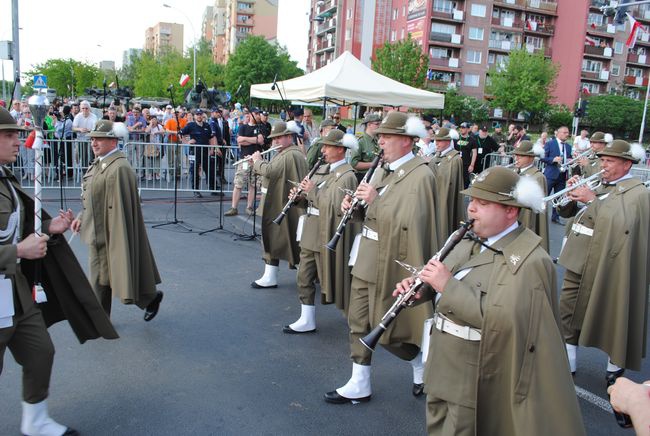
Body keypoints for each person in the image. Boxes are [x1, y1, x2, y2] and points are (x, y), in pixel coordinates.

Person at [394, 166, 585, 436]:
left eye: (483, 203)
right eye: (472, 200)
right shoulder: (466, 239)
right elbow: (450, 280)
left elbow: (506, 321)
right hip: (441, 365)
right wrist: (421, 291)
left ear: (511, 210)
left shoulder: (529, 260)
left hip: (474, 377)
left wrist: (447, 285)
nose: (471, 209)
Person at [0, 106, 117, 436]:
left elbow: (17, 225)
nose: (15, 142)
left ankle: (35, 420)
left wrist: (49, 227)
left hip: (14, 291)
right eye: (7, 135)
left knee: (40, 351)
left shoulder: (6, 179)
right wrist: (18, 251)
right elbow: (13, 242)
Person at [324, 111, 439, 404]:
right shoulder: (381, 169)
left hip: (395, 261)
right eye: (380, 136)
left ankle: (418, 363)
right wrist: (355, 206)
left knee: (391, 331)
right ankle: (359, 381)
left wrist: (377, 200)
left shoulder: (422, 173)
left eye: (387, 136)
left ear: (407, 140)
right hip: (368, 256)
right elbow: (371, 213)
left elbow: (413, 221)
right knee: (358, 320)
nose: (381, 141)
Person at [556, 139, 649, 386]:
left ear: (627, 164)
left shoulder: (636, 191)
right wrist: (569, 195)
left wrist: (591, 201)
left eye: (610, 161)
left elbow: (623, 225)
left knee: (612, 312)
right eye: (602, 160)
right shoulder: (597, 184)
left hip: (610, 262)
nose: (603, 165)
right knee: (567, 309)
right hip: (578, 257)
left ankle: (614, 365)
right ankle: (569, 358)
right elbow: (567, 214)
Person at [70, 120, 164, 321]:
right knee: (102, 276)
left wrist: (111, 236)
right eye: (92, 139)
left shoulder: (119, 167)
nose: (94, 143)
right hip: (98, 230)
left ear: (113, 141)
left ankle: (102, 318)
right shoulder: (102, 163)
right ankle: (107, 315)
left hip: (108, 232)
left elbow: (120, 209)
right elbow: (94, 197)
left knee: (108, 275)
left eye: (99, 139)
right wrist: (81, 217)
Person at [284, 130, 359, 333]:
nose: (323, 149)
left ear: (340, 149)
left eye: (327, 146)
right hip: (312, 231)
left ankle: (357, 321)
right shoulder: (323, 169)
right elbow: (314, 199)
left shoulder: (347, 175)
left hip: (328, 232)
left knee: (335, 280)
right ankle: (306, 318)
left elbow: (336, 207)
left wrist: (312, 192)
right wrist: (299, 197)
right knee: (304, 276)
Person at [250, 121, 308, 288]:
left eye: (278, 137)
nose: (274, 141)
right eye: (274, 138)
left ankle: (304, 274)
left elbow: (270, 171)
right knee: (273, 238)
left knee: (279, 238)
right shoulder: (286, 152)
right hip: (277, 202)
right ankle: (271, 274)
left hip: (281, 204)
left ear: (289, 136)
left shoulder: (290, 154)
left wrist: (257, 161)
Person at [428, 127, 464, 238]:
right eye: (435, 140)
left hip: (446, 197)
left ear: (448, 142)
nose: (436, 143)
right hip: (434, 196)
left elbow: (450, 184)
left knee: (445, 218)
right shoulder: (435, 157)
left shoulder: (455, 159)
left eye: (439, 141)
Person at [512, 140, 549, 251]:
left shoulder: (537, 177)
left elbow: (532, 211)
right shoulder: (516, 171)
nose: (516, 158)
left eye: (521, 156)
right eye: (516, 155)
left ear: (531, 158)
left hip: (526, 217)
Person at [226, 110, 264, 216]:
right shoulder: (243, 127)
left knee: (253, 184)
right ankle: (234, 207)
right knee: (239, 183)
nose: (258, 116)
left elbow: (260, 140)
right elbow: (239, 140)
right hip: (245, 160)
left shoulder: (261, 127)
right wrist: (254, 140)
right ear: (252, 115)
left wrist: (247, 140)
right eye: (256, 114)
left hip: (256, 160)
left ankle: (249, 207)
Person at [181, 109, 220, 197]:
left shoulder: (207, 125)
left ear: (203, 115)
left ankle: (213, 189)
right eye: (197, 114)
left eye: (200, 114)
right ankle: (196, 190)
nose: (199, 116)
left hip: (206, 151)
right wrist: (187, 142)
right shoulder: (190, 125)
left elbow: (211, 137)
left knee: (209, 169)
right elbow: (180, 133)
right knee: (194, 170)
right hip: (194, 152)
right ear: (194, 116)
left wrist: (212, 149)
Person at [541, 125, 571, 224]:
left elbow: (569, 158)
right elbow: (542, 157)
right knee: (544, 196)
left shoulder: (568, 146)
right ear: (557, 133)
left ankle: (555, 217)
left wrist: (571, 160)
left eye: (568, 133)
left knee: (559, 199)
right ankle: (539, 216)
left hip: (562, 176)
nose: (567, 134)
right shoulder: (550, 144)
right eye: (565, 132)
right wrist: (553, 159)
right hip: (550, 174)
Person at [350, 114, 381, 182]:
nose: (379, 126)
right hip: (363, 177)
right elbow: (354, 163)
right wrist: (372, 164)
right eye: (377, 124)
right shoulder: (360, 142)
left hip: (377, 176)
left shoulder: (378, 140)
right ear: (369, 124)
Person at [455, 122, 476, 188]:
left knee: (465, 182)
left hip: (466, 164)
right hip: (456, 163)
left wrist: (472, 165)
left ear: (468, 129)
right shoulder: (456, 138)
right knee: (455, 181)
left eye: (463, 128)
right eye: (460, 127)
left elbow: (474, 153)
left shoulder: (472, 140)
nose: (461, 129)